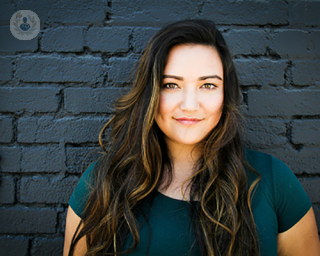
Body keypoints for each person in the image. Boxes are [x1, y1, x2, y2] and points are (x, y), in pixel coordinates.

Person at [63, 19, 320, 256]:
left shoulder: (274, 182)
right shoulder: (102, 185)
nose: (189, 105)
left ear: (225, 96)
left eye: (208, 85)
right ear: (150, 94)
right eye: (171, 85)